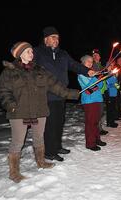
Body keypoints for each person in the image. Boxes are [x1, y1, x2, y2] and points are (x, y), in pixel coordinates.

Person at [0, 42, 79, 183]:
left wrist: (75, 94)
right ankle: (14, 172)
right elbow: (3, 91)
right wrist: (11, 106)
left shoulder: (40, 70)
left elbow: (56, 87)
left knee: (39, 138)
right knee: (17, 142)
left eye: (31, 51)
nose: (32, 53)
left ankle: (41, 162)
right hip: (19, 112)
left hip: (39, 110)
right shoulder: (9, 71)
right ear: (20, 54)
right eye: (28, 51)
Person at [34, 26, 95, 161]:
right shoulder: (38, 52)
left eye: (58, 38)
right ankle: (49, 151)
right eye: (53, 37)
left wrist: (86, 71)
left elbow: (74, 65)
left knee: (59, 121)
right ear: (46, 39)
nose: (56, 40)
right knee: (50, 123)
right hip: (46, 94)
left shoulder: (63, 54)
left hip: (62, 93)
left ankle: (57, 146)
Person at [78, 55, 107, 151]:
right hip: (89, 101)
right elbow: (88, 88)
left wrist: (97, 79)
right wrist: (95, 78)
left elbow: (101, 84)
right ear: (83, 63)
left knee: (96, 121)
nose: (90, 63)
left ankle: (97, 139)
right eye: (88, 61)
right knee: (90, 122)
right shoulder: (81, 74)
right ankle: (90, 143)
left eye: (91, 61)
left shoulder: (92, 73)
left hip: (98, 99)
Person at [92, 49, 108, 136]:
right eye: (93, 55)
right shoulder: (92, 66)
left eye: (97, 55)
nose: (95, 56)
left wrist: (108, 71)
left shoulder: (101, 66)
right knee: (98, 111)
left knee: (101, 111)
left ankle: (99, 127)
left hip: (102, 90)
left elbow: (106, 74)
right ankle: (98, 129)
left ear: (100, 57)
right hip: (97, 91)